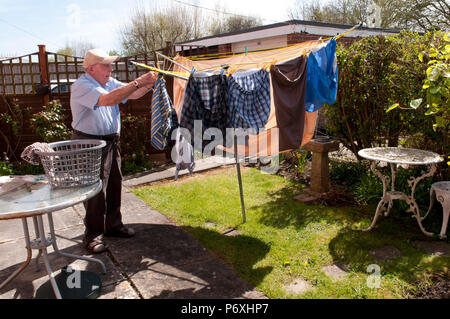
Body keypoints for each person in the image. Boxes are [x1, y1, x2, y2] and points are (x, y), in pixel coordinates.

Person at [70, 48, 157, 253]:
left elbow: (132, 93)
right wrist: (138, 81)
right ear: (91, 68)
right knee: (95, 190)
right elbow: (108, 100)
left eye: (111, 64)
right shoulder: (82, 85)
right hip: (88, 144)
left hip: (110, 142)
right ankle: (93, 235)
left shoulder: (109, 82)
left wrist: (148, 84)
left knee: (115, 184)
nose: (111, 68)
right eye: (106, 65)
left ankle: (113, 225)